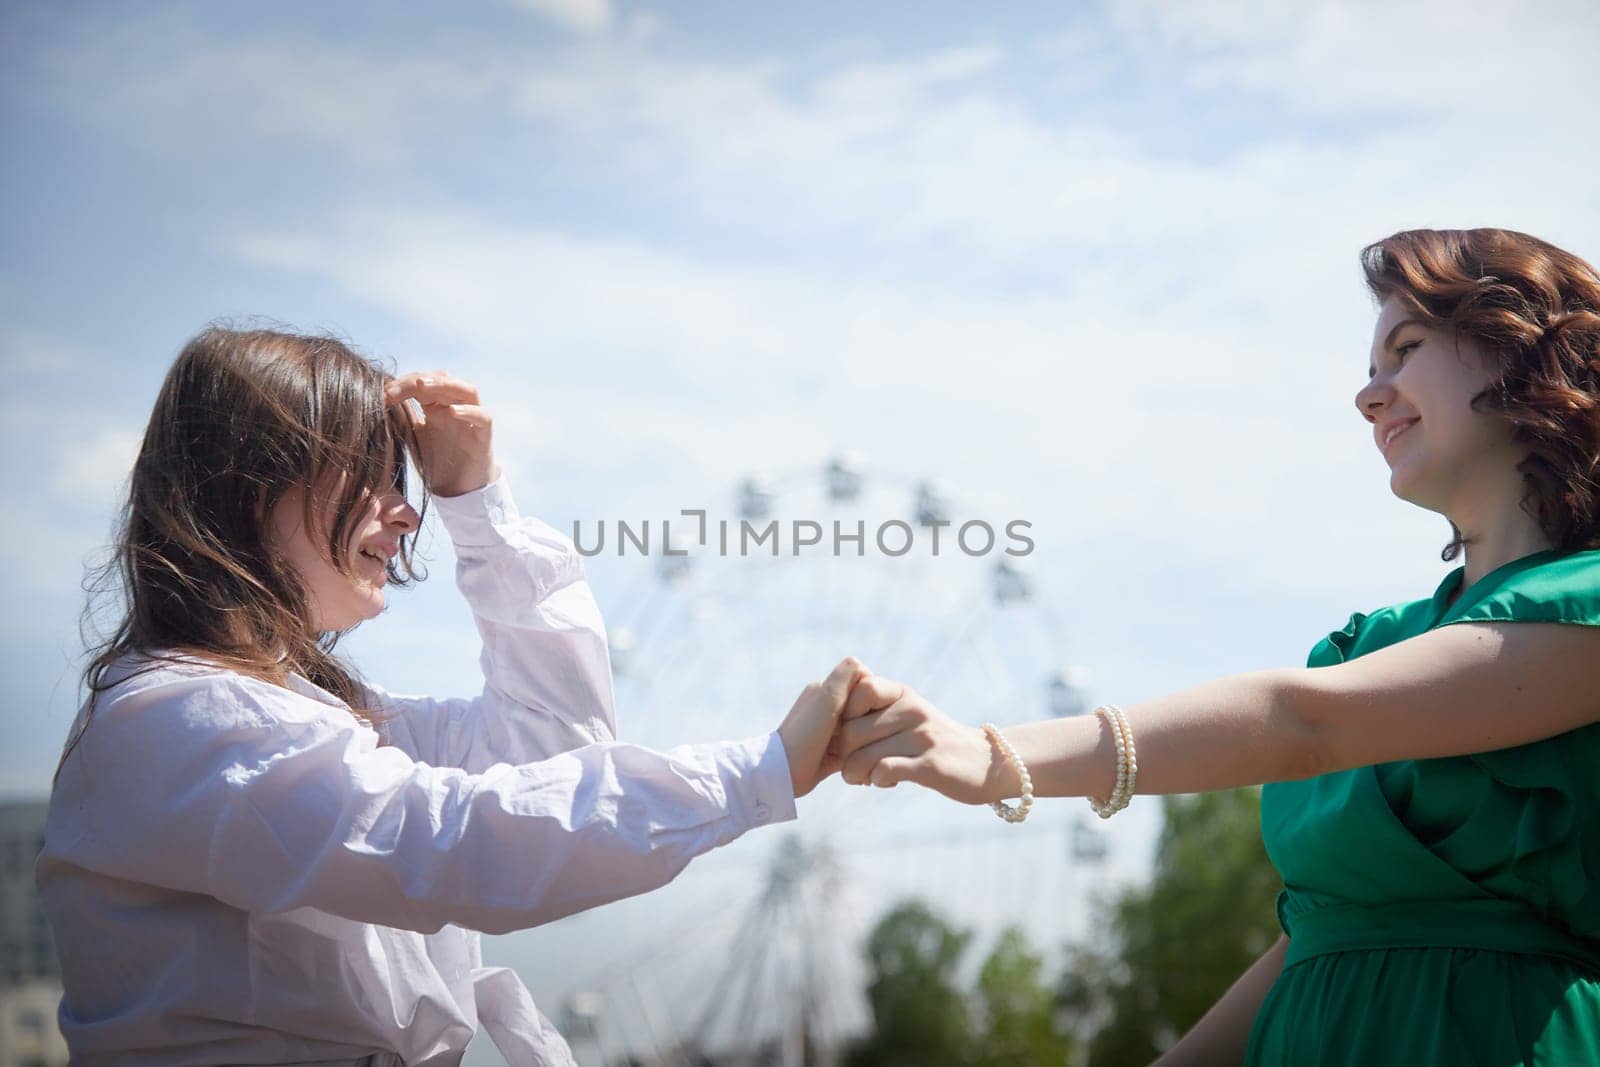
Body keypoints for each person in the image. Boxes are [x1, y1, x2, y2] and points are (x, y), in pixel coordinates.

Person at [833, 228, 1600, 1064]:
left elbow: (1303, 725)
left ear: (1523, 351)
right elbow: (1318, 937)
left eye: (1405, 349)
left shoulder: (1585, 607)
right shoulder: (1372, 645)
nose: (1368, 396)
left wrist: (993, 759)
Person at [35, 326, 865, 1066]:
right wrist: (759, 771)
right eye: (364, 477)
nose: (404, 514)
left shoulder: (301, 713)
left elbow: (555, 748)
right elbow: (456, 844)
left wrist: (478, 501)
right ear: (248, 486)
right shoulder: (180, 722)